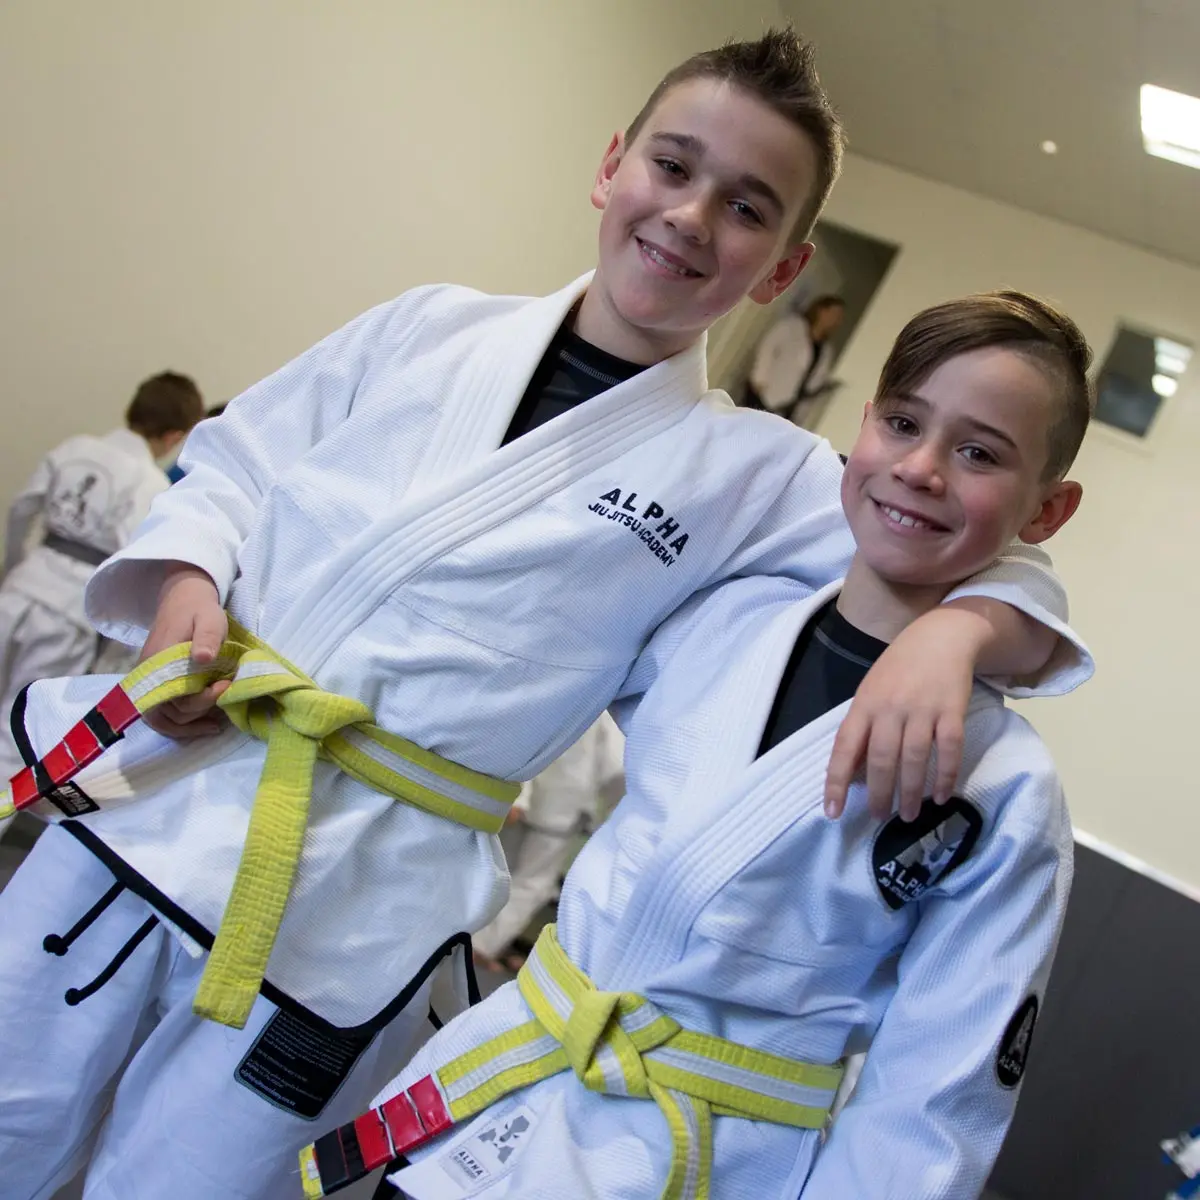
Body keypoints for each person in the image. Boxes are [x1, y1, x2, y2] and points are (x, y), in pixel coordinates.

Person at [0, 30, 1084, 1200]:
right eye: (672, 167)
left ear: (782, 267)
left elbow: (947, 535)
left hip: (355, 914)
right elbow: (231, 466)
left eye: (746, 206)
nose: (689, 215)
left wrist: (962, 632)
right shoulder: (429, 327)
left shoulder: (753, 477)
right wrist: (183, 588)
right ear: (612, 165)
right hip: (166, 789)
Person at [325, 291, 1093, 1200]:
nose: (922, 468)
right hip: (496, 1096)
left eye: (979, 453)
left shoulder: (1004, 786)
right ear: (862, 428)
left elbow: (937, 1092)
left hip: (692, 1162)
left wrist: (968, 631)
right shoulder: (724, 615)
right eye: (903, 421)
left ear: (1047, 512)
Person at [0, 371, 204, 785]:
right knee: (14, 731)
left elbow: (21, 511)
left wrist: (14, 566)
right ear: (174, 435)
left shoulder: (77, 448)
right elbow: (132, 566)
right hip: (69, 612)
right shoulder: (150, 483)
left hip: (23, 583)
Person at [474, 714, 624, 973]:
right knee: (533, 883)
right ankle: (480, 945)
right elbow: (617, 769)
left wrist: (521, 794)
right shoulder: (609, 713)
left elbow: (528, 734)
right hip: (560, 812)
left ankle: (462, 935)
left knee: (496, 870)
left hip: (524, 798)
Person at [746, 293, 845, 425]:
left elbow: (815, 382)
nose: (836, 321)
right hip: (764, 395)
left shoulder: (826, 351)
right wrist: (759, 379)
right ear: (821, 310)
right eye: (834, 314)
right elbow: (768, 347)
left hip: (789, 409)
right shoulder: (793, 326)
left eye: (839, 318)